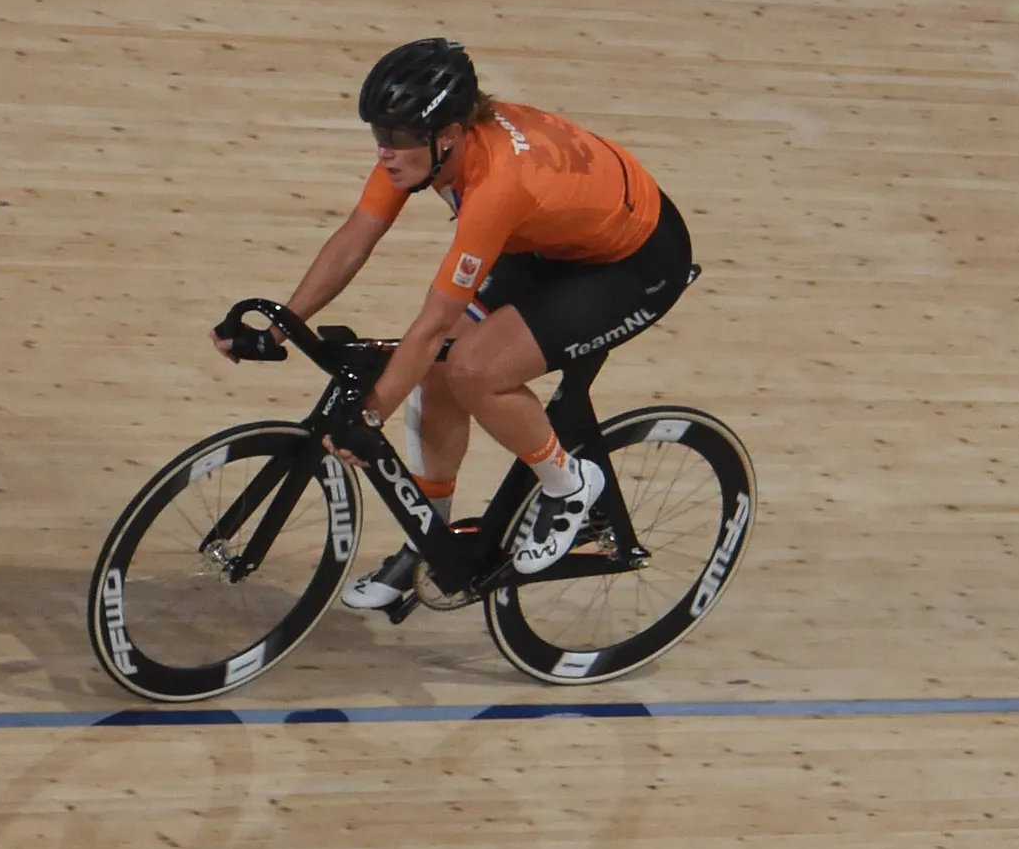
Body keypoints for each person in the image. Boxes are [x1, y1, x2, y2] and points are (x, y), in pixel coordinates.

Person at [229, 40, 691, 608]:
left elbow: (432, 322)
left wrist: (369, 417)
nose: (385, 153)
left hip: (633, 264)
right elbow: (356, 235)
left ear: (446, 134)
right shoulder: (426, 147)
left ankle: (569, 486)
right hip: (548, 240)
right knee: (437, 367)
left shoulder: (496, 184)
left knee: (474, 369)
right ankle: (430, 539)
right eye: (378, 135)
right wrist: (284, 323)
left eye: (397, 139)